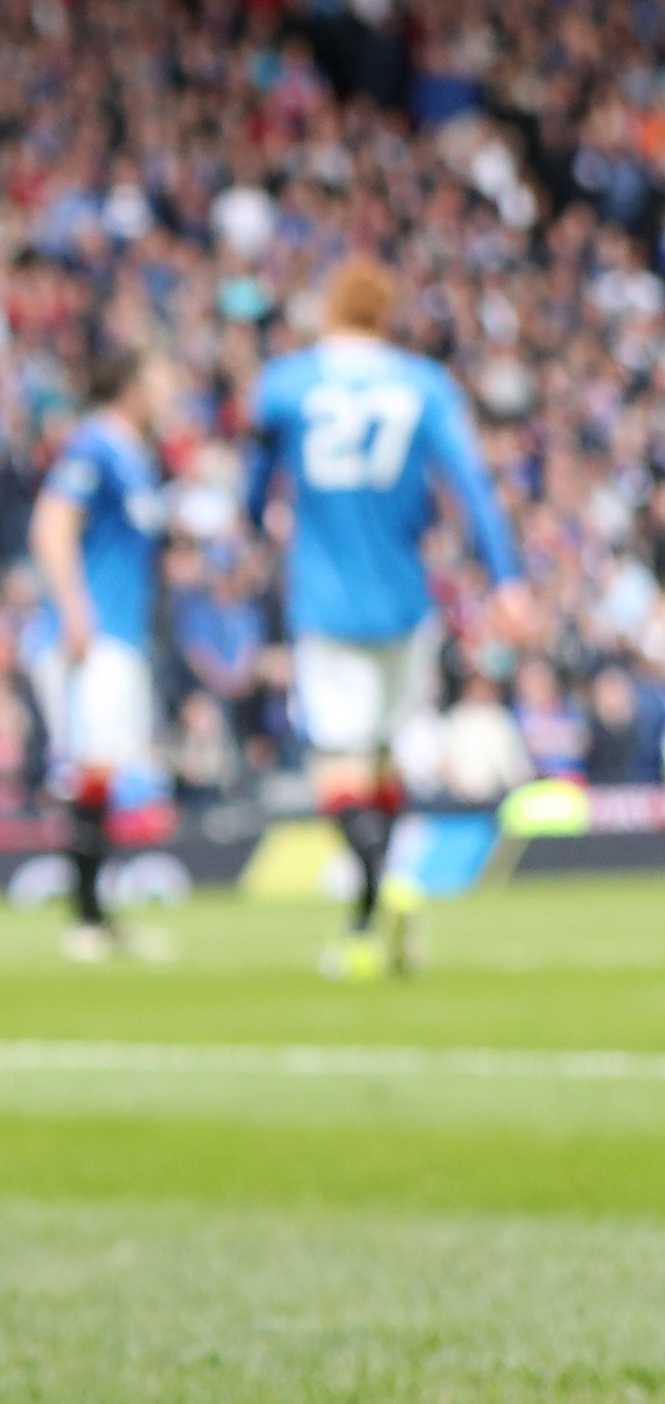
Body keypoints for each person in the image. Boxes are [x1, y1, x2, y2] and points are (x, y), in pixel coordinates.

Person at [247, 256, 525, 981]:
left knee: (337, 772)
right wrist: (506, 582)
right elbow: (472, 487)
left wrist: (254, 528)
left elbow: (255, 485)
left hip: (325, 600)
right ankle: (377, 909)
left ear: (328, 312)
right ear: (386, 316)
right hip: (406, 600)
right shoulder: (422, 384)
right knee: (382, 761)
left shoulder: (285, 384)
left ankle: (376, 898)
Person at [24, 342, 175, 963]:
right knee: (88, 772)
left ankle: (97, 917)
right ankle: (84, 921)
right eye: (161, 377)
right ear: (133, 386)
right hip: (92, 637)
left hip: (122, 635)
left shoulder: (137, 456)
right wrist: (75, 612)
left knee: (105, 775)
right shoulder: (94, 447)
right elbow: (51, 526)